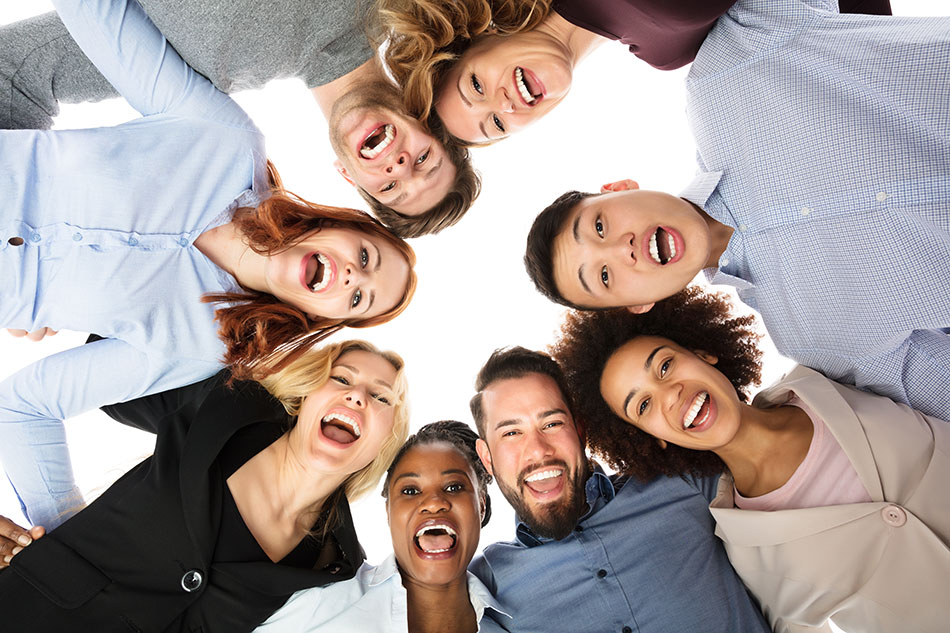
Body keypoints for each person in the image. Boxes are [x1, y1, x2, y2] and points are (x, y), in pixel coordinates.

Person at [0, 0, 418, 530]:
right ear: (340, 223)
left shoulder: (204, 347)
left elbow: (25, 407)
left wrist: (62, 550)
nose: (355, 277)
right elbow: (96, 14)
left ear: (328, 317)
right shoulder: (226, 141)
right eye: (366, 256)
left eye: (360, 298)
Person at [525, 0, 950, 420]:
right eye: (604, 276)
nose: (624, 249)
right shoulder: (815, 341)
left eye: (599, 226)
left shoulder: (726, 70)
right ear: (638, 305)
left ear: (618, 188)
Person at [551, 287, 950, 633]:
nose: (669, 393)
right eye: (643, 405)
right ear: (651, 438)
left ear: (704, 352)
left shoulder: (827, 375)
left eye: (665, 365)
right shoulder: (749, 551)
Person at [0, 340, 411, 632]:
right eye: (341, 379)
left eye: (381, 397)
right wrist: (57, 541)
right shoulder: (226, 402)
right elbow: (53, 393)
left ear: (386, 439)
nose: (358, 396)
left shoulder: (340, 572)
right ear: (307, 393)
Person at [0, 2, 480, 235]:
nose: (399, 167)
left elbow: (15, 73)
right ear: (426, 118)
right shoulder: (397, 5)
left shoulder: (194, 76)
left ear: (346, 174)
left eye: (390, 187)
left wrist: (21, 230)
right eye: (425, 160)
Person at [467, 346, 770, 633]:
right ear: (487, 458)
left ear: (580, 431)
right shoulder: (486, 586)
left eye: (552, 424)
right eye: (511, 432)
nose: (538, 450)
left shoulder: (681, 480)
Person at [377, 0, 891, 144]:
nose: (502, 104)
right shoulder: (663, 56)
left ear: (479, 41)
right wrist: (881, 49)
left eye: (475, 87)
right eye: (496, 124)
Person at [255, 420, 511, 632]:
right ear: (388, 512)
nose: (433, 503)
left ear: (481, 505)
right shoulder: (320, 608)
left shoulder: (517, 622)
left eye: (454, 487)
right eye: (410, 490)